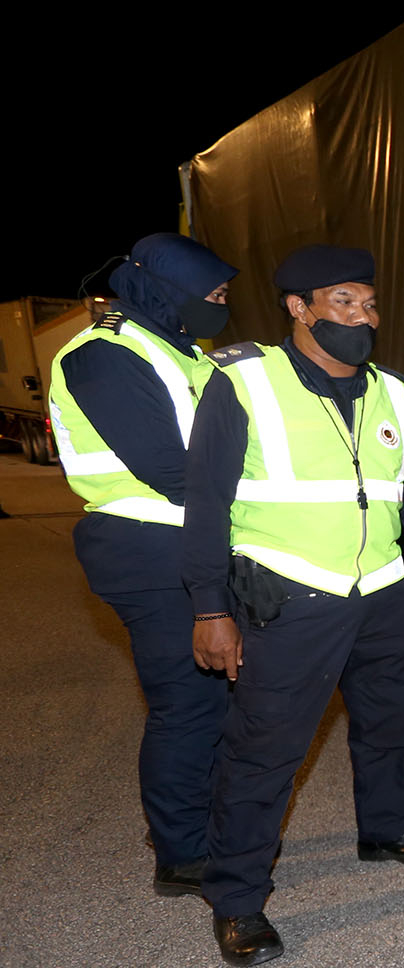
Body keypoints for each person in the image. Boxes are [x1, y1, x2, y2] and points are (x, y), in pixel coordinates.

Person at [184, 244, 404, 966]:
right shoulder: (245, 381)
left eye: (369, 303)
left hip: (381, 591)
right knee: (265, 751)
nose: (361, 317)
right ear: (299, 307)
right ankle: (238, 900)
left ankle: (385, 829)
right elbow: (205, 504)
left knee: (389, 723)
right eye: (343, 301)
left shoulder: (394, 392)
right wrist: (209, 609)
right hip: (290, 594)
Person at [45, 234, 237, 897]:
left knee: (218, 701)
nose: (221, 308)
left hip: (195, 543)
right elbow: (170, 469)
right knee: (189, 704)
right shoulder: (104, 354)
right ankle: (182, 852)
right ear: (167, 289)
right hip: (150, 549)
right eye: (213, 295)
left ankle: (201, 825)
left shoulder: (182, 350)